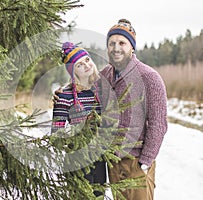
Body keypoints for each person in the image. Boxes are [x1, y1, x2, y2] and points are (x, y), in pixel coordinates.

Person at [100, 18, 168, 200]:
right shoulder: (105, 75)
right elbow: (84, 90)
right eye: (111, 43)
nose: (116, 48)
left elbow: (158, 123)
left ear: (132, 47)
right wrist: (62, 93)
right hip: (113, 162)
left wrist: (145, 162)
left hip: (136, 162)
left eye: (122, 42)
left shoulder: (149, 77)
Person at [51, 42, 106, 197]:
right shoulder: (65, 95)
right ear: (73, 72)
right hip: (77, 161)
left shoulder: (102, 89)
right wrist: (74, 143)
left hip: (100, 160)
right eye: (79, 65)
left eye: (87, 60)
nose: (86, 65)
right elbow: (56, 135)